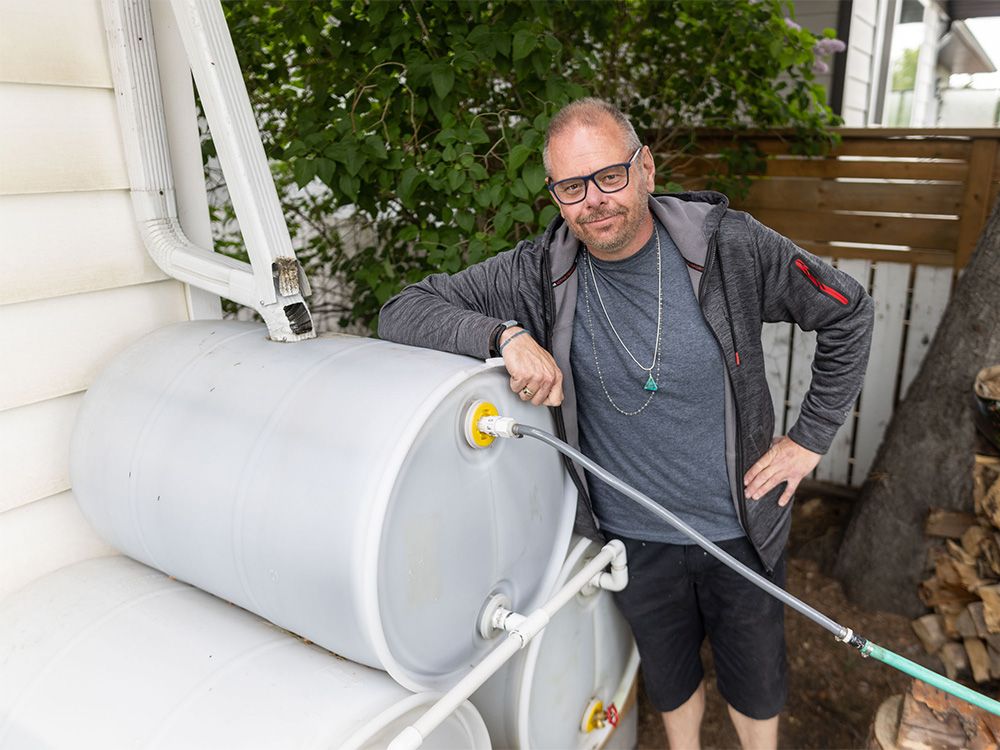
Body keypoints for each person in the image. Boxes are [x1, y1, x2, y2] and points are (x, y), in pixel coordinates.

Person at [379, 98, 874, 749]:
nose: (594, 200)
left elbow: (849, 311)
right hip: (632, 540)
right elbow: (402, 310)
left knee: (755, 683)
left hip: (741, 526)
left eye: (608, 176)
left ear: (645, 168)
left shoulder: (730, 247)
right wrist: (501, 335)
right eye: (572, 187)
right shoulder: (540, 272)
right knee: (668, 679)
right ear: (556, 195)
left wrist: (809, 439)